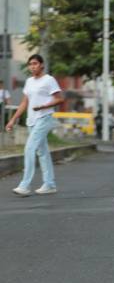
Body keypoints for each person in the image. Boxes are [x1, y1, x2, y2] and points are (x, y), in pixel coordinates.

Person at [5, 54, 65, 197]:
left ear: (42, 65)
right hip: (32, 121)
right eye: (30, 64)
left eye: (35, 63)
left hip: (44, 118)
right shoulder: (29, 81)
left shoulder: (49, 80)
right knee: (42, 152)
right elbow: (24, 103)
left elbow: (59, 99)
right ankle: (49, 184)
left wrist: (43, 106)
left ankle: (24, 185)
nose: (32, 66)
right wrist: (13, 119)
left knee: (29, 148)